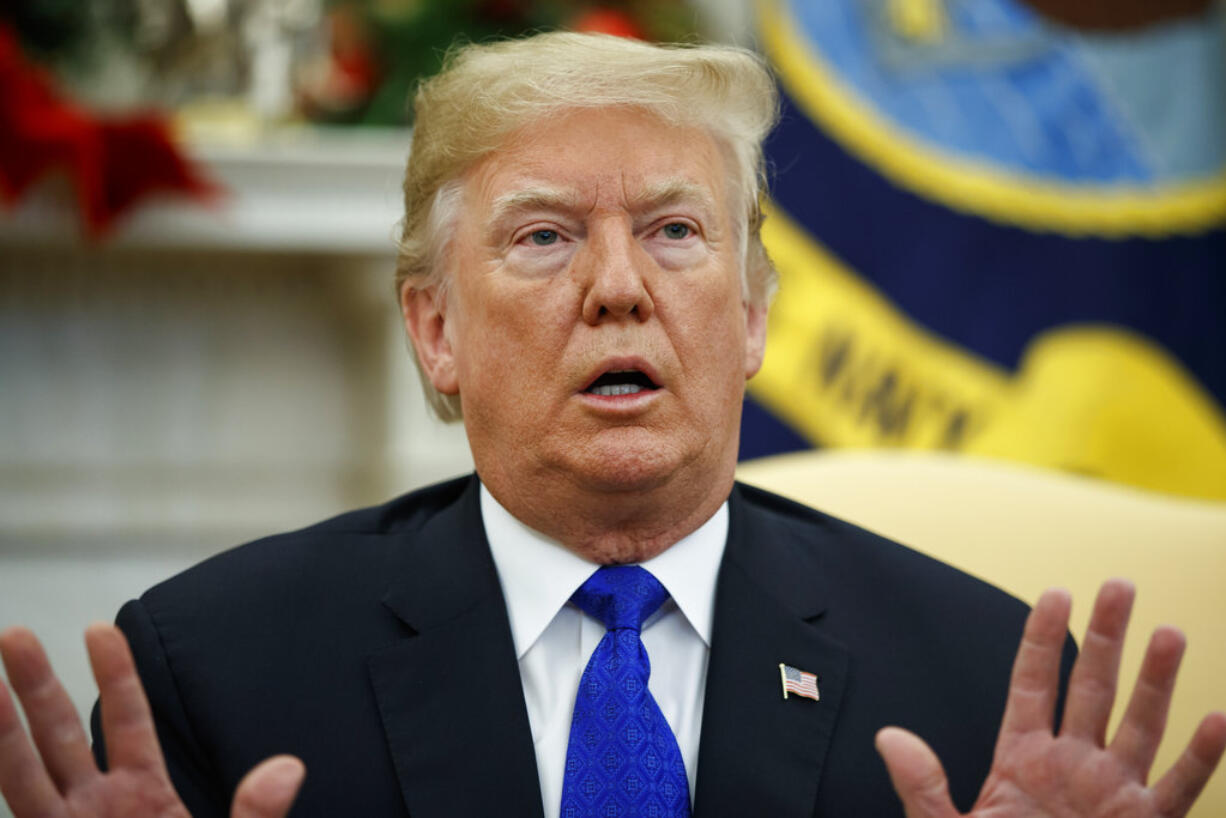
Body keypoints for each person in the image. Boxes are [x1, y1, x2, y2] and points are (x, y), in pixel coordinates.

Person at [1, 31, 1224, 818]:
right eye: (542, 236)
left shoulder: (984, 691)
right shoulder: (213, 675)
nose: (617, 284)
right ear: (434, 330)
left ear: (750, 317)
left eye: (675, 230)